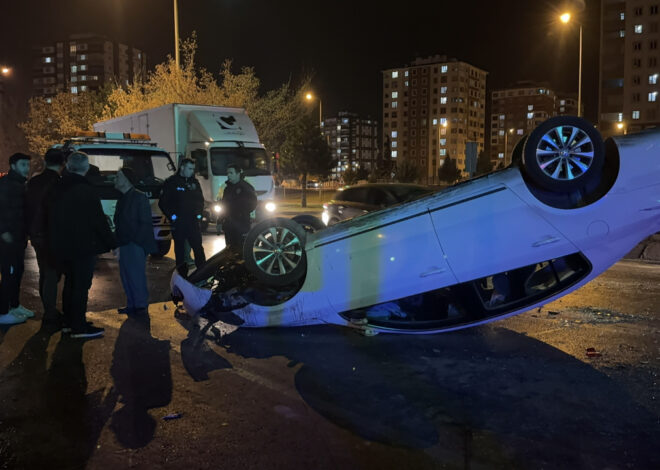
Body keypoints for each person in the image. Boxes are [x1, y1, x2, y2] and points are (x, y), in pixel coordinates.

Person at [48, 152, 117, 338]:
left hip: (62, 246)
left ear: (68, 167)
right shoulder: (86, 190)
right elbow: (98, 220)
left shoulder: (56, 187)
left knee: (70, 284)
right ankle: (78, 326)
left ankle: (69, 322)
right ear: (86, 169)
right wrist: (112, 242)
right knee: (80, 286)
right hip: (83, 246)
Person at [26, 148, 65, 327]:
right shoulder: (58, 182)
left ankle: (48, 308)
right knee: (51, 274)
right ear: (63, 163)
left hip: (36, 234)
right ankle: (50, 313)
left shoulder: (34, 181)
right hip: (52, 235)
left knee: (45, 271)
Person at [113, 167, 157, 315]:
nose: (115, 179)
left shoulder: (138, 197)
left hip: (133, 244)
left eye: (118, 177)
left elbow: (144, 223)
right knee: (127, 276)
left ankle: (139, 305)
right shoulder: (124, 197)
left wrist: (136, 243)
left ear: (126, 179)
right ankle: (132, 304)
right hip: (126, 243)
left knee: (135, 276)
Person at [0, 153, 33, 325]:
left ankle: (14, 305)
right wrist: (4, 231)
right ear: (13, 166)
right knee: (9, 274)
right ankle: (3, 311)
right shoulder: (6, 185)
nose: (26, 168)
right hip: (8, 240)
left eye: (27, 165)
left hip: (18, 237)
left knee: (17, 272)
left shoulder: (20, 184)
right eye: (23, 165)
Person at [158, 158, 206, 277]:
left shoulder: (194, 182)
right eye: (189, 169)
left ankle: (203, 274)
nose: (192, 171)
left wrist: (199, 214)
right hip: (179, 223)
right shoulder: (172, 182)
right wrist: (173, 217)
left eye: (193, 169)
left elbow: (200, 200)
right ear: (182, 167)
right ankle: (182, 275)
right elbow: (163, 202)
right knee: (179, 250)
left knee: (198, 248)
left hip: (193, 222)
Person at [220, 163, 257, 252]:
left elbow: (252, 204)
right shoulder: (227, 188)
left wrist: (240, 213)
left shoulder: (246, 187)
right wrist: (220, 220)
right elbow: (224, 205)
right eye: (227, 173)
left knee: (241, 249)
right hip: (229, 225)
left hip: (241, 224)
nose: (228, 175)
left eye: (231, 173)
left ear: (238, 174)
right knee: (230, 249)